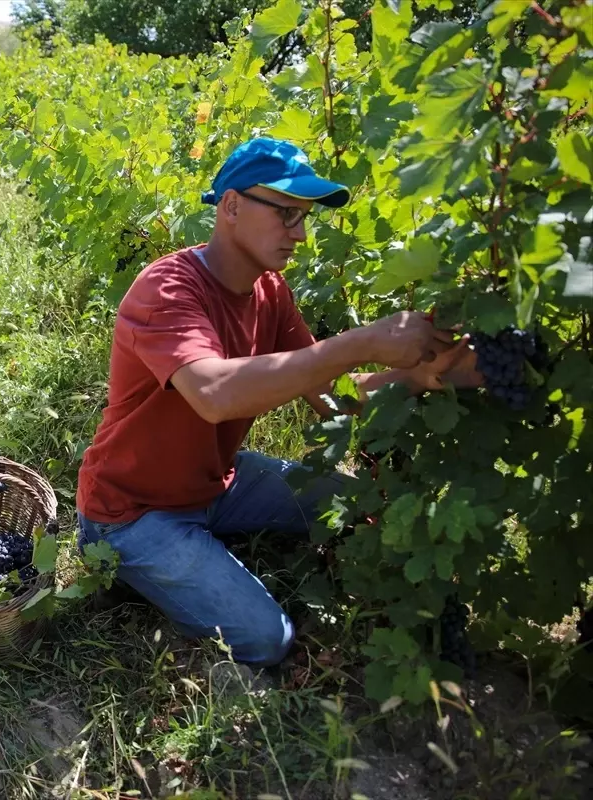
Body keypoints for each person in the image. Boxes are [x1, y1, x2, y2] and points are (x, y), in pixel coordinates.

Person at [75, 138, 482, 667]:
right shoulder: (168, 290)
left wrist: (419, 376)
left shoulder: (270, 290)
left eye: (305, 217)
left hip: (217, 482)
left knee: (358, 504)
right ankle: (128, 568)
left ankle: (196, 548)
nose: (301, 233)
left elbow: (331, 396)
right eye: (287, 214)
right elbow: (214, 393)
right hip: (131, 512)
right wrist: (360, 340)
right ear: (231, 207)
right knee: (269, 638)